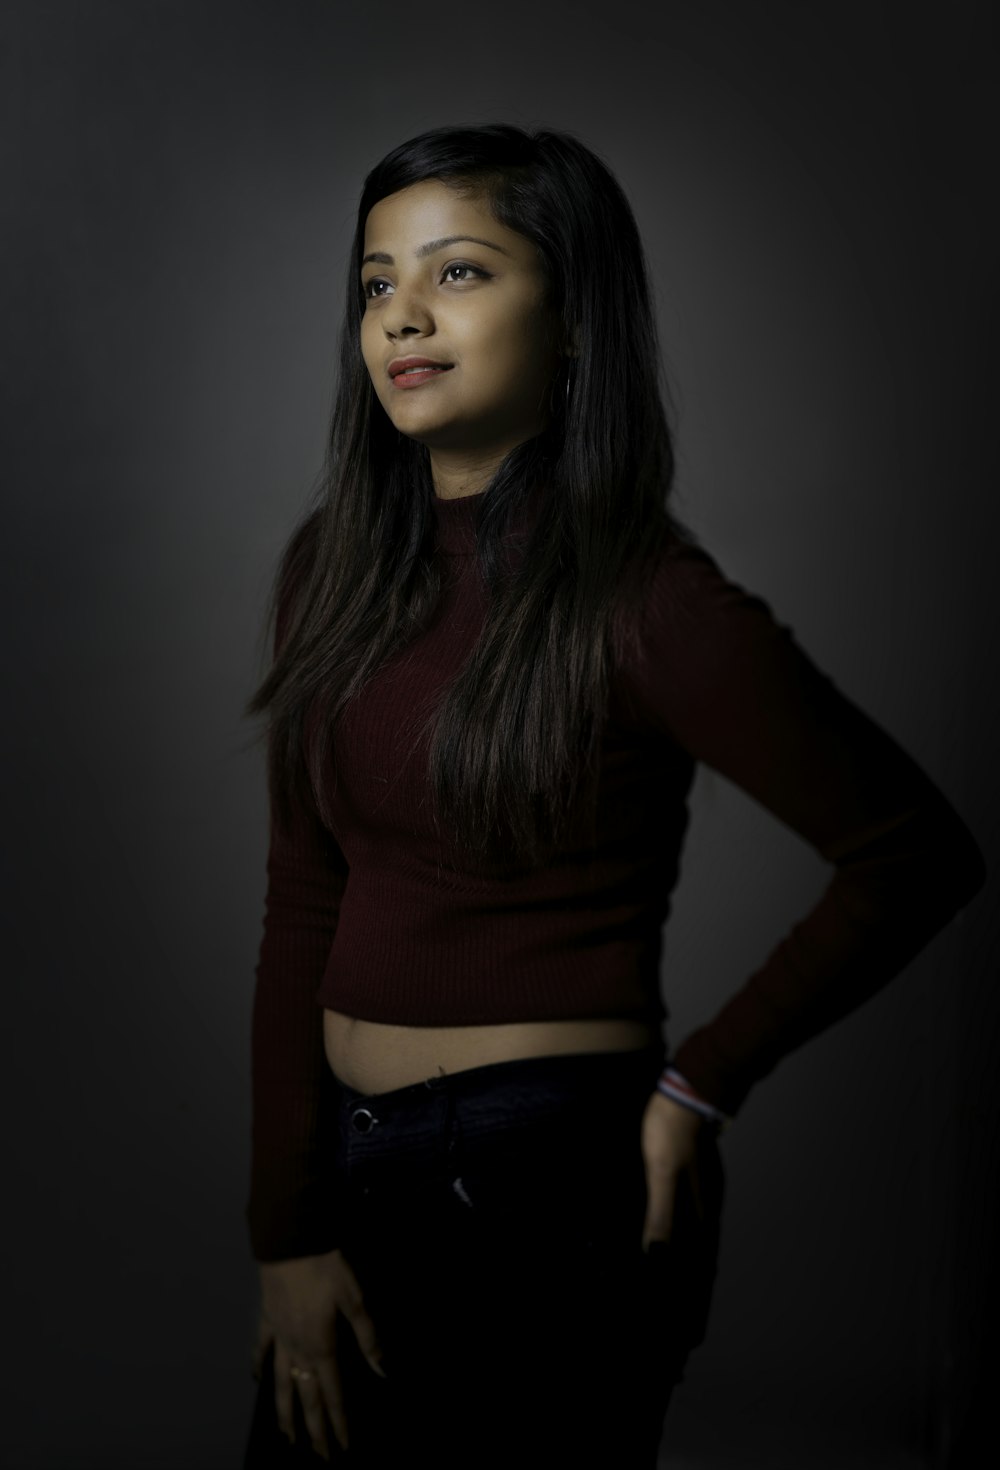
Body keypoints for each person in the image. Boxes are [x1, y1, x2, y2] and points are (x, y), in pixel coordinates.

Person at [241, 125, 985, 1468]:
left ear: (574, 320)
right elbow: (304, 893)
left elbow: (914, 849)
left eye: (458, 271)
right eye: (373, 282)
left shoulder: (646, 599)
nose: (399, 312)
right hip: (353, 1178)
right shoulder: (330, 571)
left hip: (544, 1189)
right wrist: (285, 1225)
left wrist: (704, 1079)